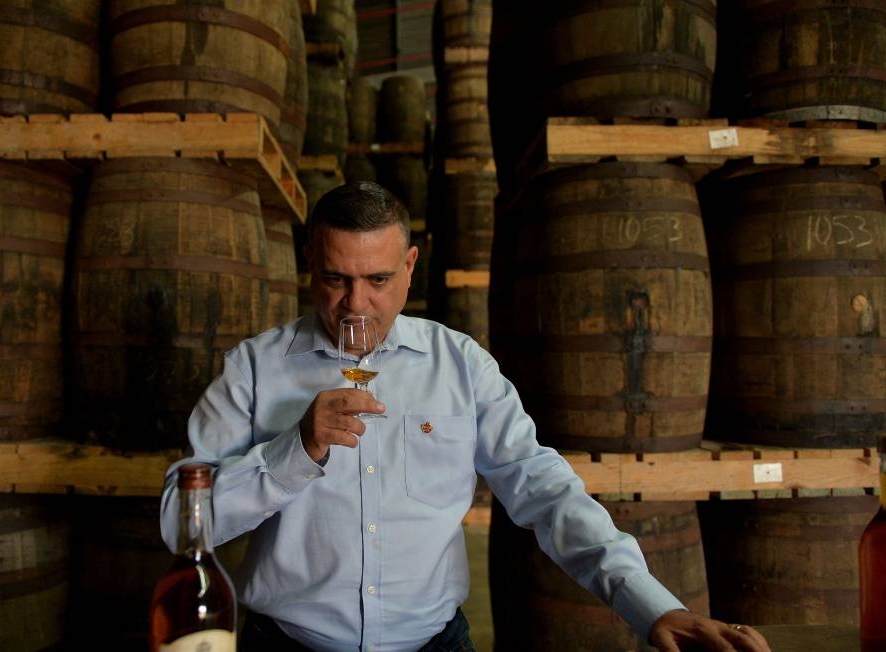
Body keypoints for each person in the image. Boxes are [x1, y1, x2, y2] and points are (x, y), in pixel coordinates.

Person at [159, 181, 771, 652]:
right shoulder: (255, 368)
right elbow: (178, 525)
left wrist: (652, 605)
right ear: (308, 266)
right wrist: (294, 451)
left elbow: (542, 488)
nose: (357, 304)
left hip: (436, 645)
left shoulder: (459, 365)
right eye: (335, 279)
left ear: (410, 266)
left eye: (377, 279)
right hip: (286, 645)